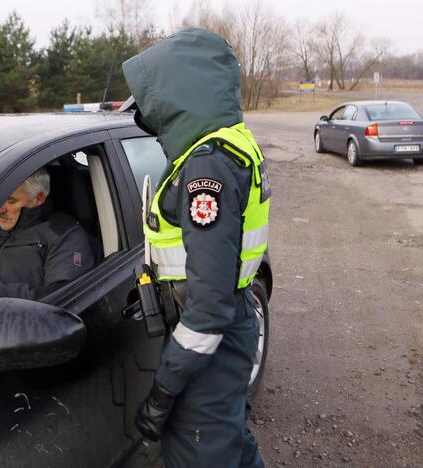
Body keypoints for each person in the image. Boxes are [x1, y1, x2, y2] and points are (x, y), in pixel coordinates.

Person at [121, 29, 270, 467]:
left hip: (209, 347)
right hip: (231, 328)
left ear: (177, 89)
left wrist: (164, 389)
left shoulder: (207, 166)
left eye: (151, 93)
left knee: (204, 451)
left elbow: (207, 310)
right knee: (231, 444)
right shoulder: (230, 142)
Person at [0, 168, 95, 305]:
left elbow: (65, 299)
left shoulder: (63, 235)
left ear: (39, 198)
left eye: (11, 201)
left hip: (17, 324)